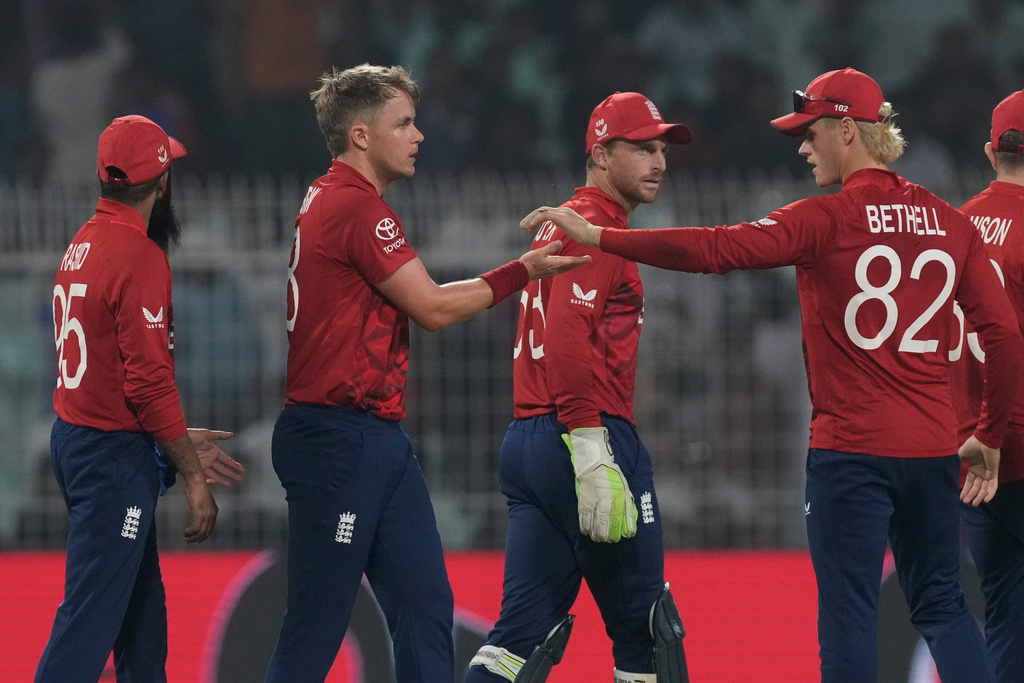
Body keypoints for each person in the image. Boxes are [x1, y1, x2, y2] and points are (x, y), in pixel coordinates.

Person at [523, 68, 1023, 683]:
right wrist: (991, 434)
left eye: (810, 133)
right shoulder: (952, 222)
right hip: (931, 450)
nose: (804, 147)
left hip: (852, 453)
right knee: (944, 605)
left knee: (849, 619)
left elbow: (714, 250)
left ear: (847, 128)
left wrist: (602, 236)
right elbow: (1002, 335)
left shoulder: (824, 219)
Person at [264, 63, 589, 683]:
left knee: (425, 607)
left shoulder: (328, 196)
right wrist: (523, 271)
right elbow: (434, 307)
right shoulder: (358, 209)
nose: (419, 136)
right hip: (338, 437)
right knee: (315, 630)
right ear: (361, 135)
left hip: (376, 435)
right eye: (404, 123)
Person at [463, 92, 691, 683]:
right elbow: (568, 338)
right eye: (642, 149)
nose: (659, 161)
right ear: (599, 153)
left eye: (662, 149)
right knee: (650, 638)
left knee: (515, 643)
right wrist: (591, 449)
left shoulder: (558, 228)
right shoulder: (596, 229)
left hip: (528, 439)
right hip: (586, 434)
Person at [36, 114, 244, 683]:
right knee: (90, 620)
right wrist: (193, 477)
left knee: (142, 623)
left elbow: (111, 372)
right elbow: (148, 383)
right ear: (162, 182)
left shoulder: (82, 242)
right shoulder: (140, 256)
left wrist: (169, 442)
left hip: (84, 440)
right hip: (109, 459)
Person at [948, 89, 1024, 683]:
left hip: (975, 453)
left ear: (989, 152)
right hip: (1015, 436)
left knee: (1005, 615)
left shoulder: (959, 223)